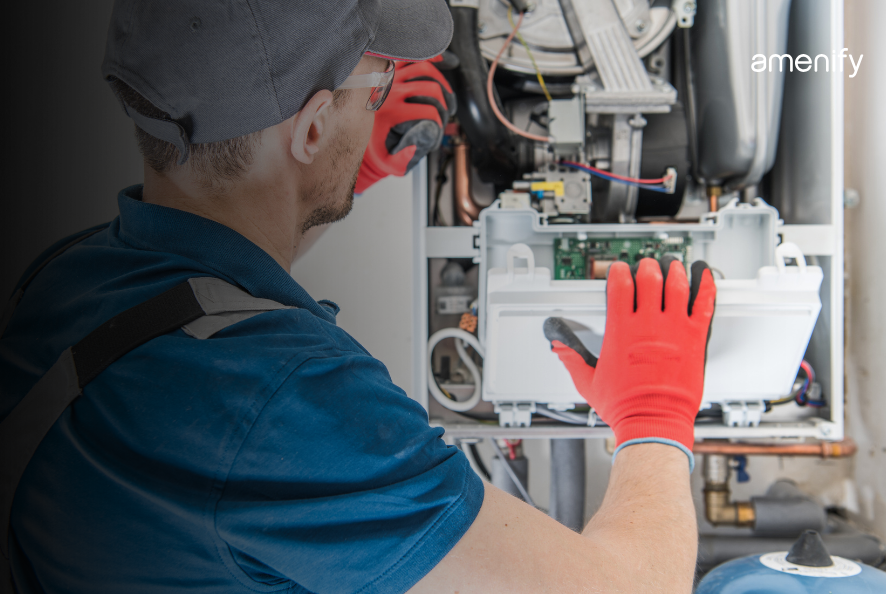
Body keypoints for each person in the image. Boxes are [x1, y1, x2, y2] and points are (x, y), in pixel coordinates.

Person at [0, 1, 716, 592]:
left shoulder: (63, 278)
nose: (382, 104)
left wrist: (333, 181)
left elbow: (208, 283)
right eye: (375, 88)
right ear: (311, 129)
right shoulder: (286, 402)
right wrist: (654, 418)